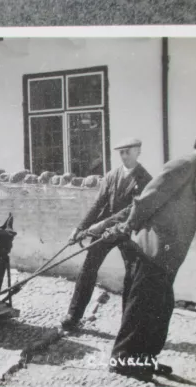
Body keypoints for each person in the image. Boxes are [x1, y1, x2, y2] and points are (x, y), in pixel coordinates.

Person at [101, 131, 196, 379]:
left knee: (160, 309)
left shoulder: (194, 169)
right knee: (141, 308)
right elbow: (147, 200)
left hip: (168, 255)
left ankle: (145, 360)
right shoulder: (183, 165)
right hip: (153, 250)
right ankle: (123, 360)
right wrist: (128, 226)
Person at [61, 138, 153, 331]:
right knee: (88, 268)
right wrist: (79, 228)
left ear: (138, 152)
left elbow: (131, 210)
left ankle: (128, 322)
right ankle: (73, 314)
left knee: (132, 275)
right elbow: (98, 204)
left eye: (128, 151)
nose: (124, 155)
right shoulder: (112, 175)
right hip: (105, 232)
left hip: (129, 231)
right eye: (121, 152)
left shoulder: (146, 179)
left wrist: (102, 224)